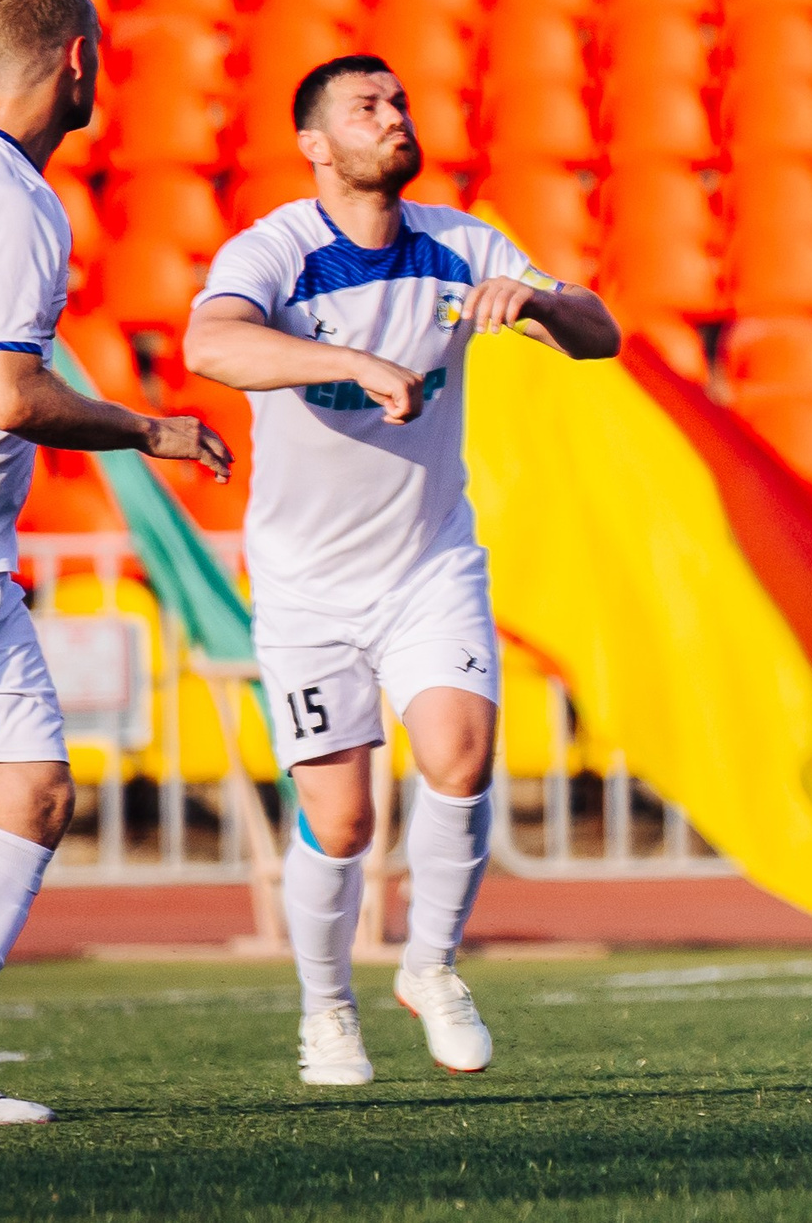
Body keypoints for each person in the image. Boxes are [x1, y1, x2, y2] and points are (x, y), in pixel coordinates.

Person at [184, 55, 619, 1086]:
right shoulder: (277, 248)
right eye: (366, 106)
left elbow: (600, 334)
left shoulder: (460, 241)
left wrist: (546, 305)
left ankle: (430, 965)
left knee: (461, 755)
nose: (394, 116)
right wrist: (351, 361)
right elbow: (210, 342)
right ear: (316, 145)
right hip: (303, 581)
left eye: (399, 101)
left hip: (428, 560)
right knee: (342, 818)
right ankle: (325, 1008)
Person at [0, 0, 232, 1124]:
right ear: (75, 61)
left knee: (30, 791)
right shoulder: (9, 197)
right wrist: (150, 427)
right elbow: (10, 393)